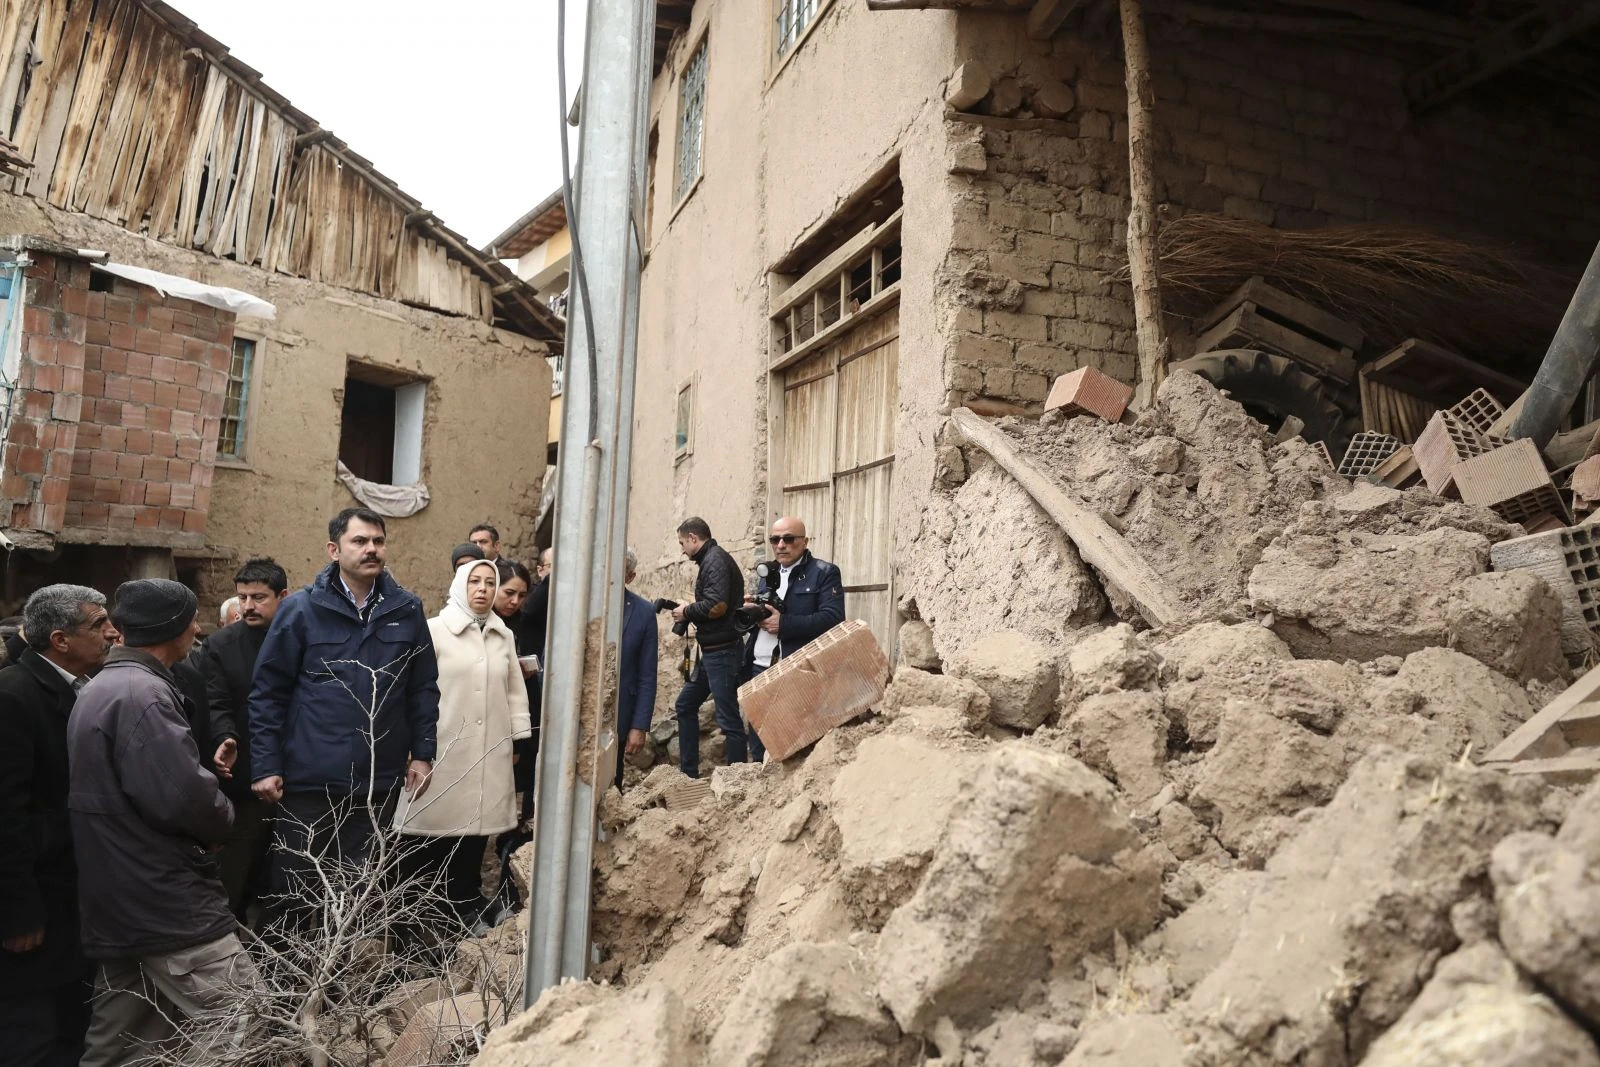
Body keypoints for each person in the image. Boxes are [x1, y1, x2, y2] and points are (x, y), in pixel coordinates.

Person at [69, 580, 257, 1067]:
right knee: (247, 1019)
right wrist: (223, 817)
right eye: (191, 619)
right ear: (171, 628)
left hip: (120, 897)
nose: (198, 629)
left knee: (126, 1043)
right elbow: (183, 800)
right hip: (165, 902)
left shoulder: (104, 687)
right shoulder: (142, 695)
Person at [249, 508, 439, 930]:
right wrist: (265, 765)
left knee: (358, 891)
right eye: (360, 541)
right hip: (310, 781)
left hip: (377, 780)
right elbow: (268, 693)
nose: (371, 549)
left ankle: (344, 988)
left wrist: (423, 754)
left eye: (378, 541)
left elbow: (422, 688)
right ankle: (291, 989)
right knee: (298, 891)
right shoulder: (300, 610)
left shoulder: (406, 610)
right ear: (334, 550)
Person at [0, 585, 115, 1067]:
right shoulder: (14, 696)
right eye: (98, 624)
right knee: (30, 1033)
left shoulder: (81, 689)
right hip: (35, 904)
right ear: (61, 640)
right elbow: (6, 817)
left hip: (70, 895)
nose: (112, 632)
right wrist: (18, 913)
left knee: (72, 1022)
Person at [397, 561, 530, 926]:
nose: (483, 589)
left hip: (488, 750)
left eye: (490, 582)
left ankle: (462, 906)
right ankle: (420, 916)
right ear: (460, 584)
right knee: (432, 833)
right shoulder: (434, 632)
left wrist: (516, 737)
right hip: (442, 748)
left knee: (475, 833)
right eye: (475, 581)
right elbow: (414, 691)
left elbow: (514, 690)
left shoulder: (503, 635)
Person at [197, 558, 290, 919]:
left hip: (299, 777)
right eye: (242, 597)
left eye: (259, 597)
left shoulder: (302, 638)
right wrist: (225, 737)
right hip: (245, 779)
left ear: (283, 596)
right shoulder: (221, 645)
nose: (248, 606)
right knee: (235, 875)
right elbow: (216, 701)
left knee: (287, 881)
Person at [742, 516, 846, 760]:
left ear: (805, 541)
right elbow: (766, 617)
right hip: (760, 669)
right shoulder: (767, 572)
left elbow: (833, 618)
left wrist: (784, 624)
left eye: (789, 539)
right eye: (775, 539)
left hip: (795, 669)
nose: (781, 545)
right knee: (758, 745)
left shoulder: (823, 572)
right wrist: (751, 613)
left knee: (792, 745)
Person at [670, 517, 746, 778]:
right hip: (713, 652)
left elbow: (717, 606)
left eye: (682, 543)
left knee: (728, 721)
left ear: (693, 538)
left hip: (723, 653)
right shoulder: (711, 560)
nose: (681, 549)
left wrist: (687, 611)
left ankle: (738, 782)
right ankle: (689, 774)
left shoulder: (714, 560)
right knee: (685, 705)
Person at [494, 559, 541, 811]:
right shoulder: (482, 624)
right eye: (509, 593)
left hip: (521, 712)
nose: (515, 601)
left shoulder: (526, 623)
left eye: (522, 595)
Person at [617, 548, 658, 790]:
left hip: (619, 716)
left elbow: (647, 675)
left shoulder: (643, 612)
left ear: (630, 577)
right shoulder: (577, 606)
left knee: (611, 783)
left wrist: (639, 726)